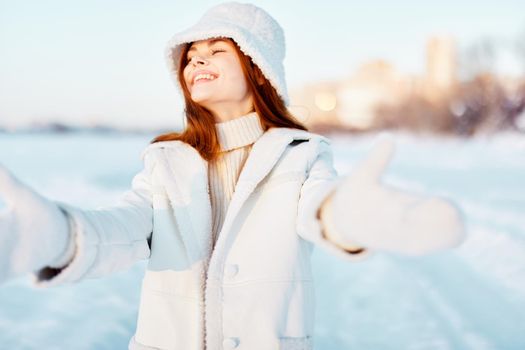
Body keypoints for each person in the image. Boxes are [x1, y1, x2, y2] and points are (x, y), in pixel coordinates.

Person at [0, 2, 466, 350]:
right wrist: (63, 235)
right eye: (190, 56)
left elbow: (318, 208)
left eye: (215, 49)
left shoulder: (299, 155)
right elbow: (127, 225)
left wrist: (349, 215)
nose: (196, 61)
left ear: (259, 71)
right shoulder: (166, 160)